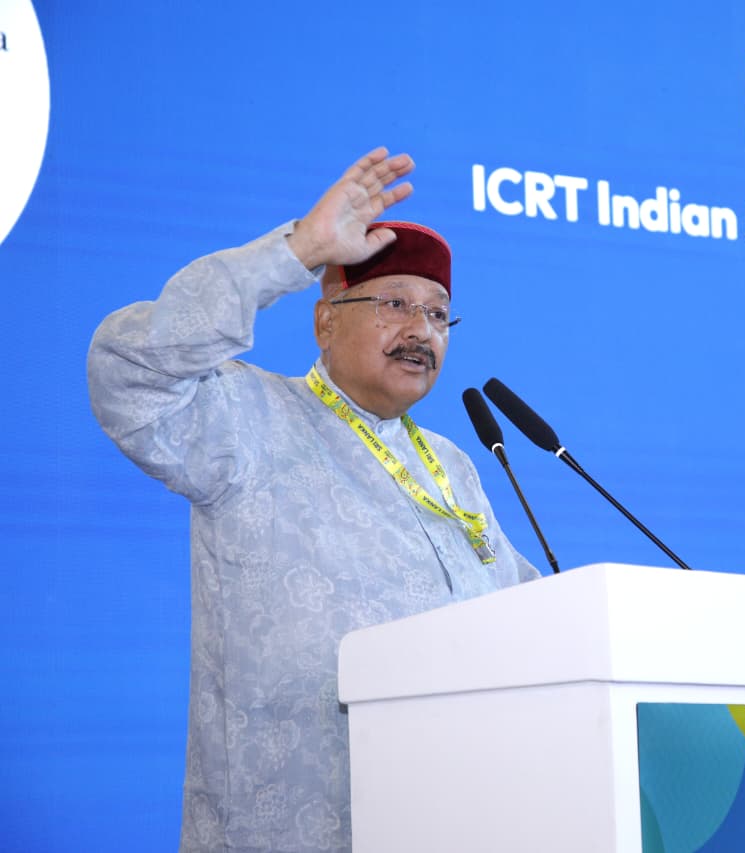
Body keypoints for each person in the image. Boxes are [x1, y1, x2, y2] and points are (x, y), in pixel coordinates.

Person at [87, 147, 540, 852]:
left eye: (438, 314)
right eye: (395, 304)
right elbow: (127, 370)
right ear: (326, 321)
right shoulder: (245, 415)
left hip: (450, 817)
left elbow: (527, 614)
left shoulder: (453, 465)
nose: (421, 331)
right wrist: (297, 251)